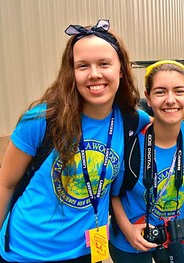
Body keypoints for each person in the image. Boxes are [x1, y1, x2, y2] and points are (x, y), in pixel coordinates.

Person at [0, 19, 151, 263]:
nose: (94, 74)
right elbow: (5, 184)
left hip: (88, 250)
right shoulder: (42, 121)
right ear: (71, 72)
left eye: (104, 64)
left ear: (121, 69)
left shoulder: (132, 121)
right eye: (83, 66)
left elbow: (170, 121)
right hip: (26, 252)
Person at [108, 60, 184, 263]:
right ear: (148, 98)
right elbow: (111, 193)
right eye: (160, 92)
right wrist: (128, 230)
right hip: (131, 239)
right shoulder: (130, 142)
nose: (170, 100)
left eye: (178, 91)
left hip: (175, 236)